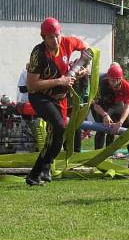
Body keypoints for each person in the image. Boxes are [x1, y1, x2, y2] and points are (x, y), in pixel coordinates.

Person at [25, 17, 89, 186]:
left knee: (57, 138)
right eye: (50, 37)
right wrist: (60, 81)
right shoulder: (39, 54)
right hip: (41, 96)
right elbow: (31, 85)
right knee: (58, 125)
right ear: (43, 37)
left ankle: (38, 173)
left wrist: (83, 69)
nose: (55, 40)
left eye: (57, 35)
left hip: (60, 98)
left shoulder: (68, 42)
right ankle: (42, 168)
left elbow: (87, 51)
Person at [91, 63, 129, 169]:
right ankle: (97, 161)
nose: (111, 82)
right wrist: (105, 115)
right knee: (102, 129)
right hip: (102, 106)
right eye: (110, 79)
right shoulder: (103, 83)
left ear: (120, 79)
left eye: (114, 80)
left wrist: (121, 122)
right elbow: (95, 106)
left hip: (117, 105)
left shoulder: (127, 86)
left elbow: (126, 107)